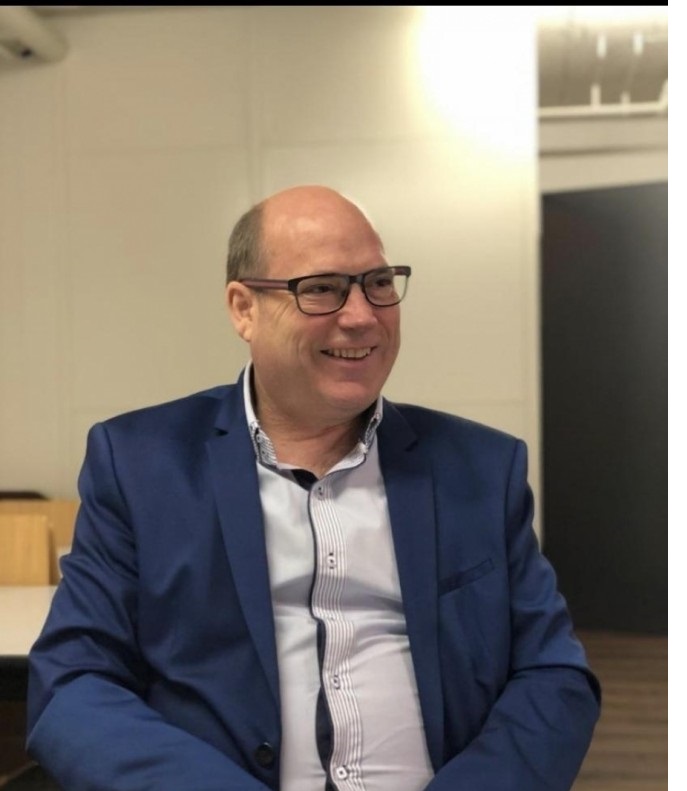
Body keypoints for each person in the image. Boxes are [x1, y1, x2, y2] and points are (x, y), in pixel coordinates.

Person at [26, 185, 601, 791]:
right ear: (244, 309)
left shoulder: (481, 469)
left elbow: (553, 675)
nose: (361, 315)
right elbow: (73, 683)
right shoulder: (142, 465)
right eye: (321, 288)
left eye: (378, 283)